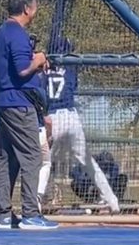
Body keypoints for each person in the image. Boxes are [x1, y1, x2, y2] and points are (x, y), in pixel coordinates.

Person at [0, 0, 58, 230]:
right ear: (27, 9)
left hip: (5, 101)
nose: (36, 10)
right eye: (35, 6)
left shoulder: (1, 32)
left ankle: (4, 214)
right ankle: (30, 213)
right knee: (32, 155)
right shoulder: (17, 33)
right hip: (18, 102)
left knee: (7, 157)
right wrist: (38, 59)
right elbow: (22, 69)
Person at [37, 36, 120, 214]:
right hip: (71, 117)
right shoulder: (71, 66)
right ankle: (111, 200)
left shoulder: (42, 67)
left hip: (52, 117)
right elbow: (73, 86)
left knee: (44, 162)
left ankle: (36, 202)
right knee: (88, 162)